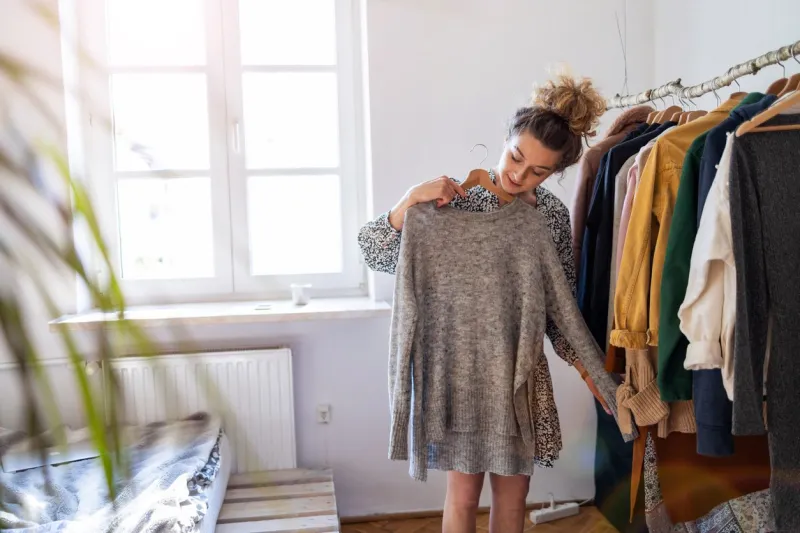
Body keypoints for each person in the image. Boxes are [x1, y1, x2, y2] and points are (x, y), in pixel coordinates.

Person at [357, 74, 610, 533]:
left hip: (519, 376)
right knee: (462, 497)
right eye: (517, 157)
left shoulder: (548, 215)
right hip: (462, 375)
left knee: (513, 500)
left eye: (538, 171)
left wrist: (595, 376)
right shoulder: (451, 200)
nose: (519, 174)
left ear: (554, 173)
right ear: (506, 141)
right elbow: (375, 251)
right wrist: (409, 200)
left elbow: (559, 310)